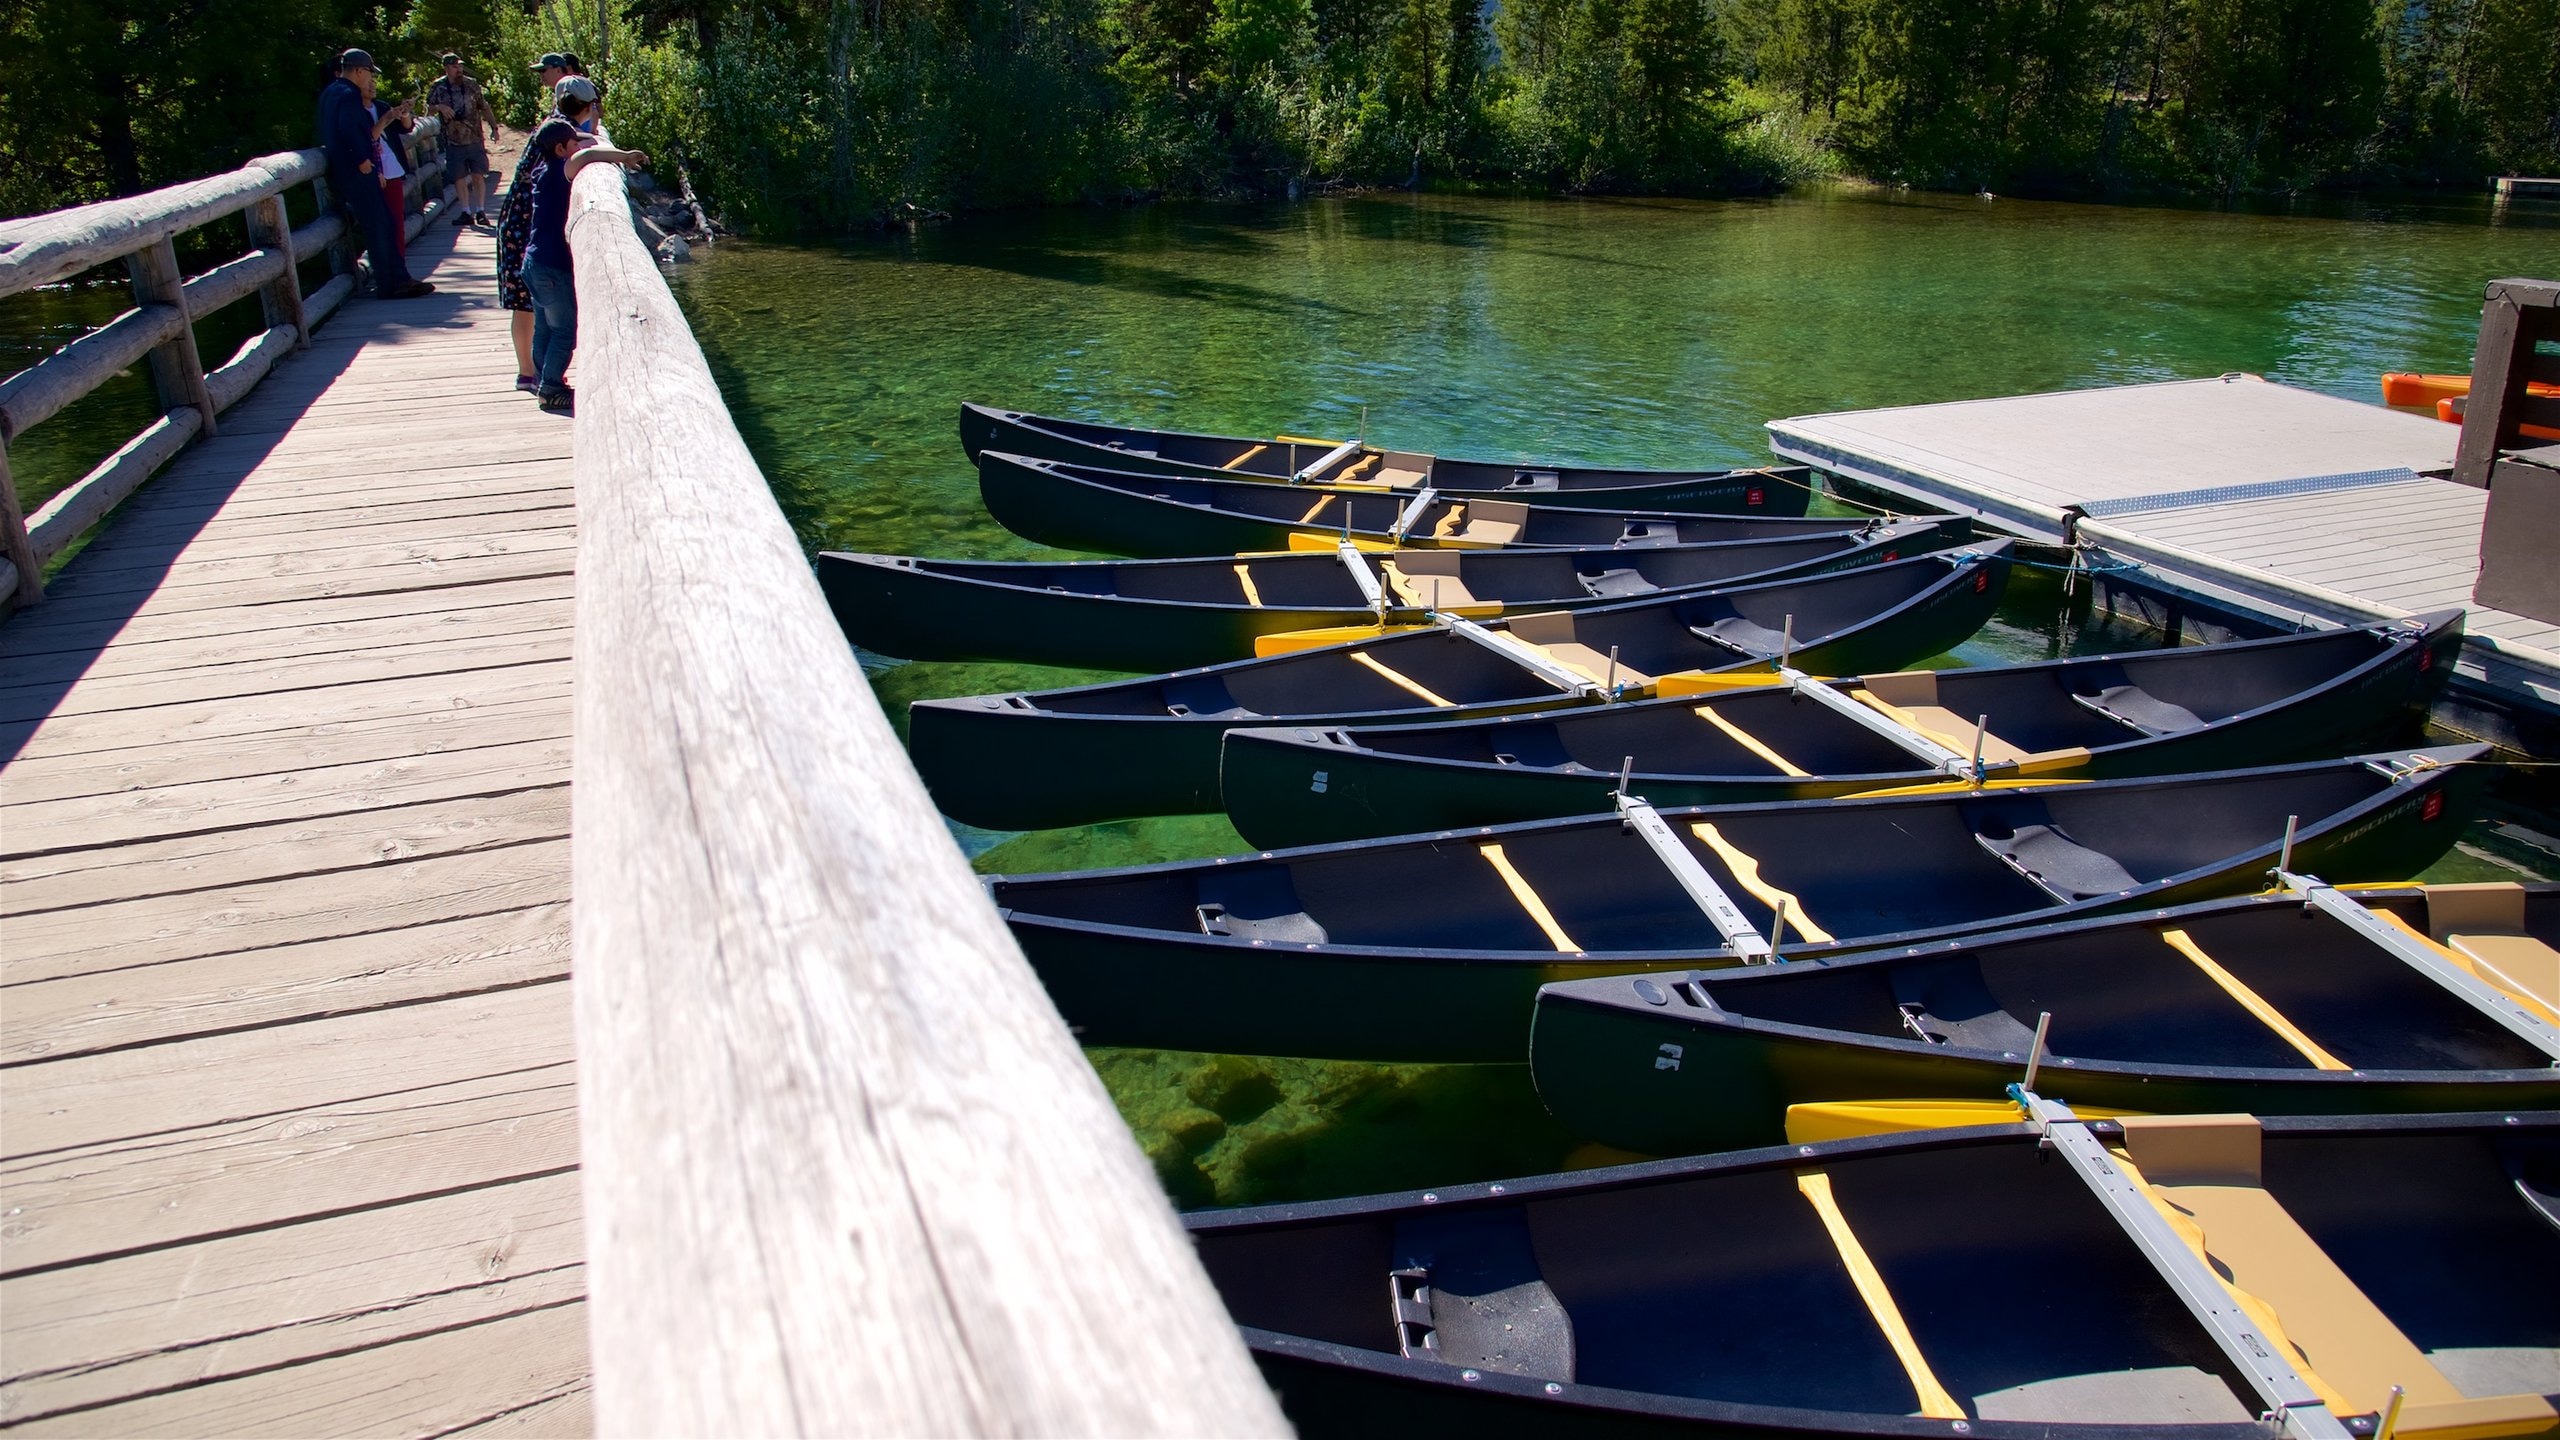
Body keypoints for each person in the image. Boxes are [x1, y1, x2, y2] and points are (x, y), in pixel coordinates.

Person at [521, 115, 648, 415]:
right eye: (573, 143)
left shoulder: (542, 170)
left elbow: (585, 144)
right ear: (562, 150)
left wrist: (580, 137)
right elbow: (589, 154)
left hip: (533, 262)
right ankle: (551, 388)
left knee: (544, 328)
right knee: (564, 330)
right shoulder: (561, 170)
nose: (579, 145)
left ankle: (543, 379)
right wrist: (624, 156)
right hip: (553, 267)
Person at [315, 49, 432, 298]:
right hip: (358, 170)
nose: (370, 78)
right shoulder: (349, 95)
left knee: (382, 224)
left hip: (346, 170)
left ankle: (398, 279)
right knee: (380, 226)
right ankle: (392, 284)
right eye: (369, 72)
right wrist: (363, 160)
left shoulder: (331, 91)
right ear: (358, 70)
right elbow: (349, 129)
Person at [498, 56, 575, 390]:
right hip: (522, 226)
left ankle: (532, 372)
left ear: (562, 73)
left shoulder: (557, 123)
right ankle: (530, 373)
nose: (543, 77)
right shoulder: (559, 125)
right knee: (525, 302)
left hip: (525, 225)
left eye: (545, 71)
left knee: (531, 303)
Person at [429, 53, 500, 226]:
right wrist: (440, 107)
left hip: (474, 137)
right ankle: (465, 211)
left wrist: (494, 127)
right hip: (452, 140)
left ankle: (481, 211)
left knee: (478, 175)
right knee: (458, 177)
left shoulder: (471, 85)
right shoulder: (438, 87)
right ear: (446, 68)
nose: (459, 69)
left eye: (460, 66)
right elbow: (429, 111)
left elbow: (484, 107)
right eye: (454, 67)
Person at [372, 91, 413, 261]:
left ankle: (399, 263)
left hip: (391, 169)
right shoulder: (353, 111)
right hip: (371, 170)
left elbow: (406, 128)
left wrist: (404, 113)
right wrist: (387, 118)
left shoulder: (381, 106)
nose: (372, 83)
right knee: (378, 223)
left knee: (396, 220)